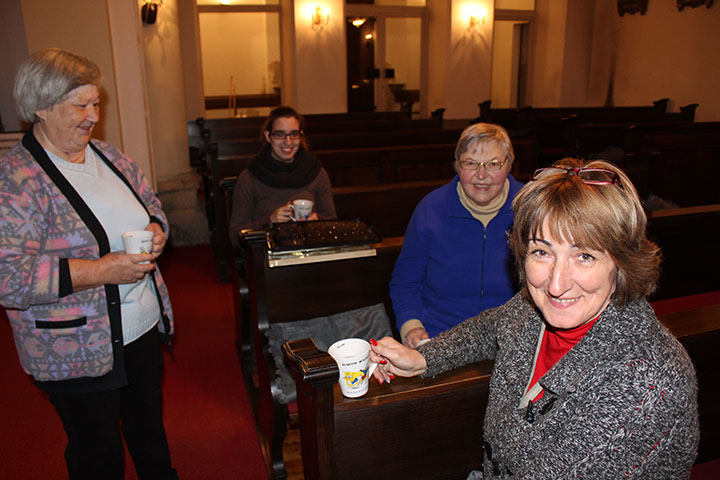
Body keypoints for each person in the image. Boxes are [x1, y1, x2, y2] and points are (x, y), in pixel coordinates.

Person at [370, 159, 699, 479]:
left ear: (622, 262)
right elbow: (490, 327)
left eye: (584, 256)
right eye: (542, 252)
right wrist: (424, 358)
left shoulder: (645, 383)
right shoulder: (530, 310)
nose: (556, 284)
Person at [0, 48, 178, 479]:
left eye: (96, 102)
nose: (92, 115)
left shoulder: (109, 156)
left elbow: (152, 205)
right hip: (75, 348)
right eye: (80, 104)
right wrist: (101, 271)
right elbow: (9, 277)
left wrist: (156, 227)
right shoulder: (16, 180)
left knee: (148, 433)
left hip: (141, 329)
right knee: (97, 454)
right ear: (40, 107)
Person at [390, 123, 524, 348]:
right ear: (457, 166)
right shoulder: (431, 208)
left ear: (509, 165)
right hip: (441, 336)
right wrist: (411, 326)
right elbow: (406, 281)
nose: (481, 175)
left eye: (493, 164)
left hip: (512, 339)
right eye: (470, 163)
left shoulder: (530, 208)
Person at [228, 106, 337, 242]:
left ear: (300, 135)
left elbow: (332, 221)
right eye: (280, 134)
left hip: (309, 251)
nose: (288, 142)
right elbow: (234, 236)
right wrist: (269, 222)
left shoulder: (316, 172)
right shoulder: (249, 177)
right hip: (267, 256)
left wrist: (318, 221)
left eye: (294, 134)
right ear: (268, 136)